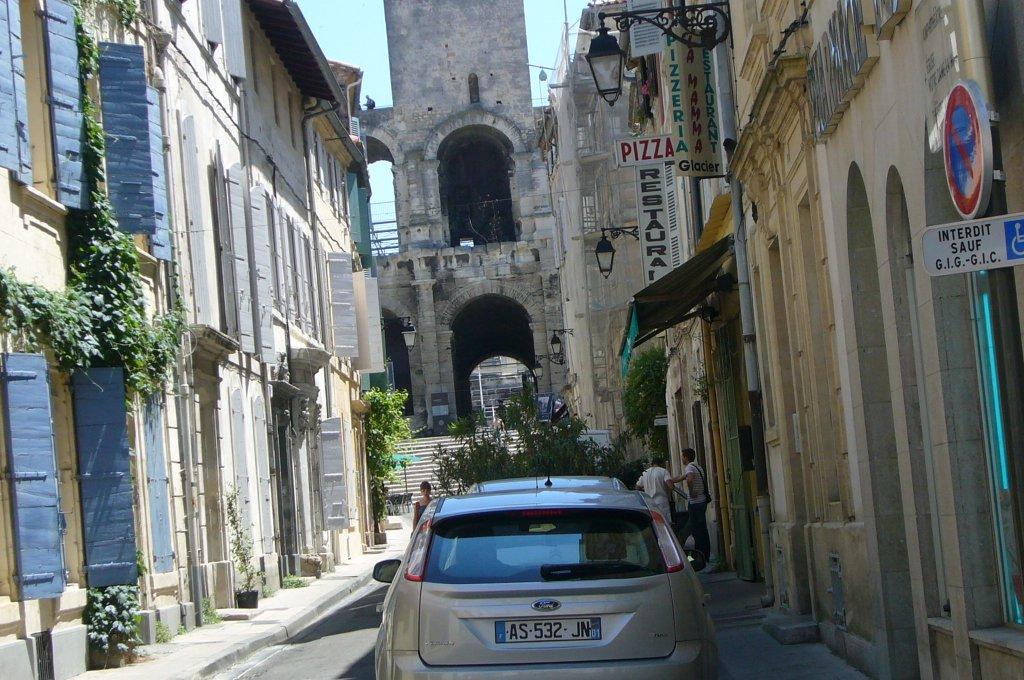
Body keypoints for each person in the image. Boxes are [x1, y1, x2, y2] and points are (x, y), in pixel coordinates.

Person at [671, 448, 711, 565]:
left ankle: (699, 557)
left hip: (695, 503)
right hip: (702, 501)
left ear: (686, 457)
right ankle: (706, 555)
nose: (681, 458)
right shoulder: (697, 467)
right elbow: (682, 477)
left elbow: (689, 479)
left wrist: (692, 491)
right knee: (702, 529)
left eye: (682, 456)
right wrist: (670, 480)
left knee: (696, 530)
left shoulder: (689, 468)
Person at [635, 455, 674, 524]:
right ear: (661, 464)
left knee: (655, 523)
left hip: (650, 503)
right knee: (666, 523)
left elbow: (637, 487)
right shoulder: (663, 471)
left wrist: (645, 489)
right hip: (662, 502)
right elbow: (670, 486)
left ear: (652, 464)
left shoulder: (645, 473)